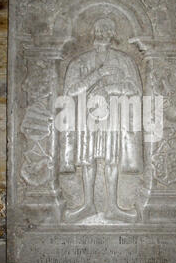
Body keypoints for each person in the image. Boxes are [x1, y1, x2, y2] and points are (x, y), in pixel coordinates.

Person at [60, 18, 143, 222]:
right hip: (87, 116)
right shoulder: (80, 61)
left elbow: (135, 90)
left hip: (113, 115)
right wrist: (98, 74)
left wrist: (110, 88)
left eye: (108, 29)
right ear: (93, 32)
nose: (103, 33)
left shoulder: (123, 60)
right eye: (99, 29)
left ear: (113, 34)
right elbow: (70, 91)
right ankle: (88, 205)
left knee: (112, 159)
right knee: (88, 161)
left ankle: (113, 207)